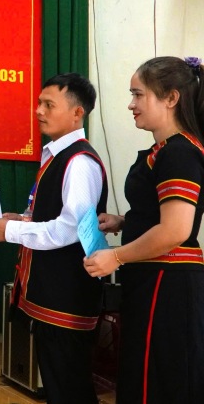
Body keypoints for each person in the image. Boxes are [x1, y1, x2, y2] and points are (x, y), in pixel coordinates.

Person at [84, 56, 204, 404]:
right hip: (155, 277)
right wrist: (124, 223)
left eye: (138, 95)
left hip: (167, 282)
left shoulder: (179, 152)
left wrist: (116, 257)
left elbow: (176, 230)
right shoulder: (166, 150)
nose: (131, 104)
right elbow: (164, 217)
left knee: (158, 381)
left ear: (171, 98)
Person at [0, 73, 107, 404]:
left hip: (67, 296)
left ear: (77, 112)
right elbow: (55, 215)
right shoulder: (57, 155)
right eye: (39, 103)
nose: (39, 111)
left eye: (49, 104)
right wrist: (22, 218)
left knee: (70, 386)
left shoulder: (79, 162)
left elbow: (70, 228)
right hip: (52, 294)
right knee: (58, 383)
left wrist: (12, 231)